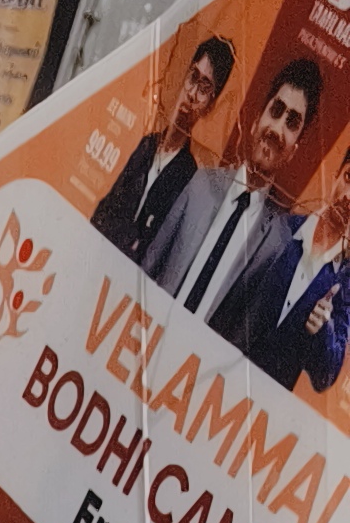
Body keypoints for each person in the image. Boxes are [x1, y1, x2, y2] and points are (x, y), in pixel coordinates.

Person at [185, 55, 326, 324]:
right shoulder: (200, 184)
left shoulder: (278, 244)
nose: (277, 128)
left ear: (293, 152)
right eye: (276, 110)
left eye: (292, 123)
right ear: (255, 122)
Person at [96, 29, 233, 270]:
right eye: (193, 77)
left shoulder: (189, 177)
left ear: (210, 105)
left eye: (204, 88)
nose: (192, 94)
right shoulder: (147, 144)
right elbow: (105, 210)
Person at [232, 151, 350, 393]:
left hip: (265, 403)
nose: (348, 196)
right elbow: (230, 299)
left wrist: (323, 330)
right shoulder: (282, 227)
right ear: (335, 176)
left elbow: (325, 378)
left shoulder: (345, 282)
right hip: (218, 368)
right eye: (349, 178)